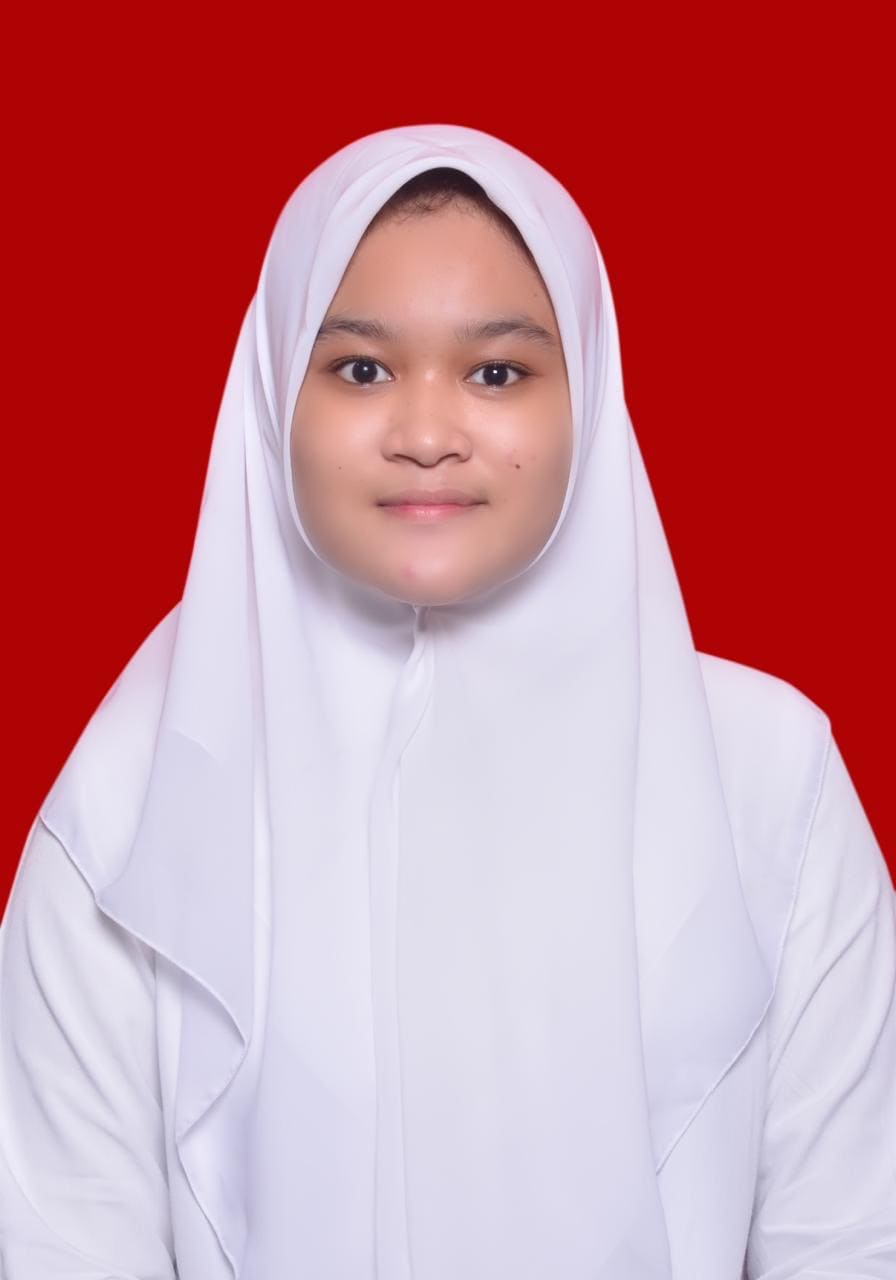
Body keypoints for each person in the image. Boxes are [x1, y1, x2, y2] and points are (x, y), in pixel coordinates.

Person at [0, 124, 893, 1279]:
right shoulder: (134, 797)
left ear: (588, 393)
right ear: (273, 390)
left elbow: (852, 1232)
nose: (426, 436)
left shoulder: (764, 772)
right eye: (360, 369)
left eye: (496, 372)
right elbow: (57, 1238)